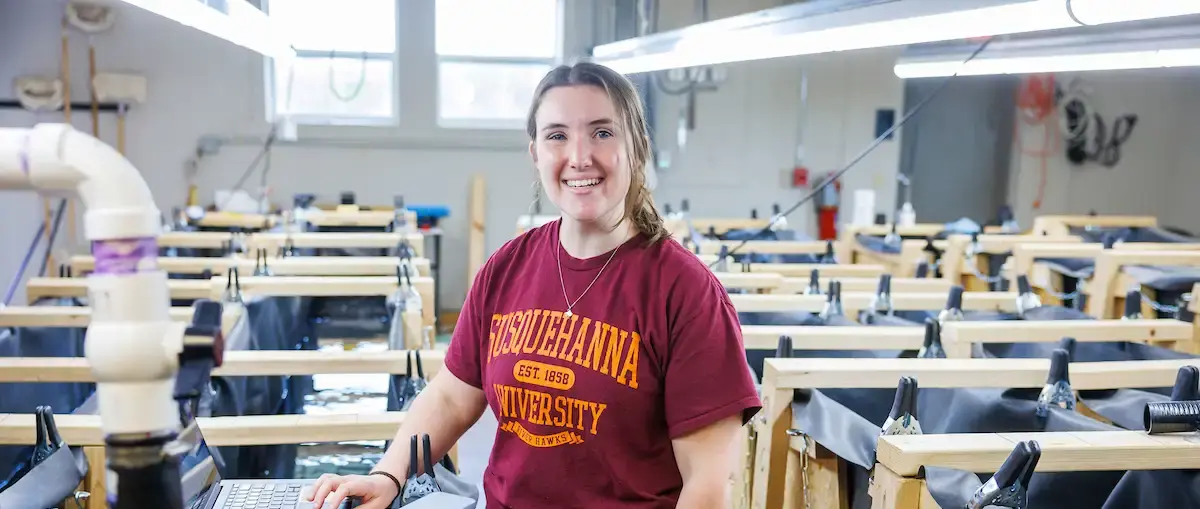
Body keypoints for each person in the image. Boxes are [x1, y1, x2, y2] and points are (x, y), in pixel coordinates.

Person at [305, 61, 761, 509]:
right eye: (558, 135)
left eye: (603, 132)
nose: (579, 156)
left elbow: (707, 485)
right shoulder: (506, 268)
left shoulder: (684, 291)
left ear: (636, 146)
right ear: (536, 153)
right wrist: (388, 474)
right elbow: (450, 395)